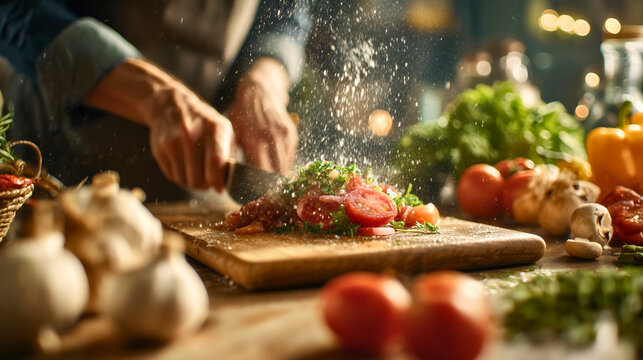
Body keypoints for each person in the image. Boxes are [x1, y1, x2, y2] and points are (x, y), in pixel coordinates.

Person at [0, 0, 312, 200]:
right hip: (62, 174)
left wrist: (264, 77)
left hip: (203, 193)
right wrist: (158, 95)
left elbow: (286, 11)